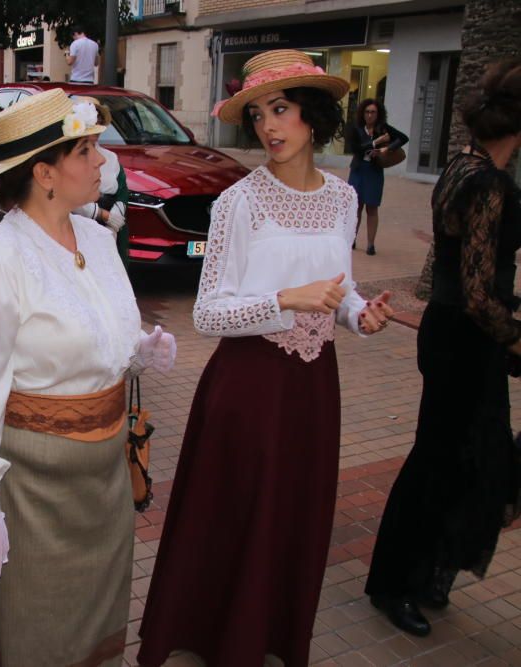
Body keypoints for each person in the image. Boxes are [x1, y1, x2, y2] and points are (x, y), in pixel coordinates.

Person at [136, 50, 395, 667]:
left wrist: (360, 315)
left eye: (280, 110)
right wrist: (284, 299)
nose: (269, 127)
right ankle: (217, 637)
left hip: (313, 386)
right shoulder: (237, 204)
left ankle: (268, 635)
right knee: (232, 517)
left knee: (291, 515)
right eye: (257, 115)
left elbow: (342, 288)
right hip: (247, 386)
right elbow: (208, 314)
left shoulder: (341, 199)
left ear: (313, 114)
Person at [0, 88, 175, 666]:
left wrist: (135, 352)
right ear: (45, 173)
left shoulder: (98, 240)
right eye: (88, 150)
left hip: (103, 479)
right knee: (35, 626)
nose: (103, 162)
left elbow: (95, 333)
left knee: (96, 621)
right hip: (31, 487)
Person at [365, 59, 521, 639]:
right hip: (466, 337)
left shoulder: (462, 165)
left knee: (465, 460)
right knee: (442, 461)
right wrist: (516, 335)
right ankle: (395, 583)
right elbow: (480, 292)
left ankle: (430, 572)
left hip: (453, 331)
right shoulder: (488, 182)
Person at [71, 97, 129, 265]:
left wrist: (115, 217)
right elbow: (67, 193)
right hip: (81, 225)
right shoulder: (69, 157)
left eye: (99, 120)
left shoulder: (111, 157)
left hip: (110, 228)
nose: (96, 125)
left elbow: (122, 189)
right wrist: (101, 214)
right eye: (92, 120)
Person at [347, 98, 408, 255]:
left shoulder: (383, 128)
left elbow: (403, 138)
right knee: (357, 206)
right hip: (358, 170)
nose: (370, 115)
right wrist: (376, 142)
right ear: (362, 113)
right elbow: (356, 149)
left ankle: (370, 244)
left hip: (374, 172)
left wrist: (387, 148)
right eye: (367, 112)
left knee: (372, 208)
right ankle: (352, 239)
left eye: (373, 112)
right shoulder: (356, 128)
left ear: (378, 114)